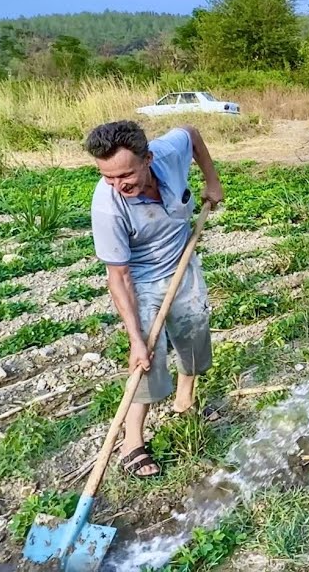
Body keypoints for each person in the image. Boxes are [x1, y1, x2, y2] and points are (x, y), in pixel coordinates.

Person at [85, 120, 224, 479]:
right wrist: (135, 339)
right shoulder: (108, 206)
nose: (118, 185)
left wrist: (212, 181)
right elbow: (119, 277)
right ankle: (132, 442)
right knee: (146, 356)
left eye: (125, 175)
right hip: (141, 279)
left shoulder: (168, 152)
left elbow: (192, 132)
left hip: (181, 260)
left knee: (194, 328)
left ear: (148, 158)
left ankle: (185, 400)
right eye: (108, 177)